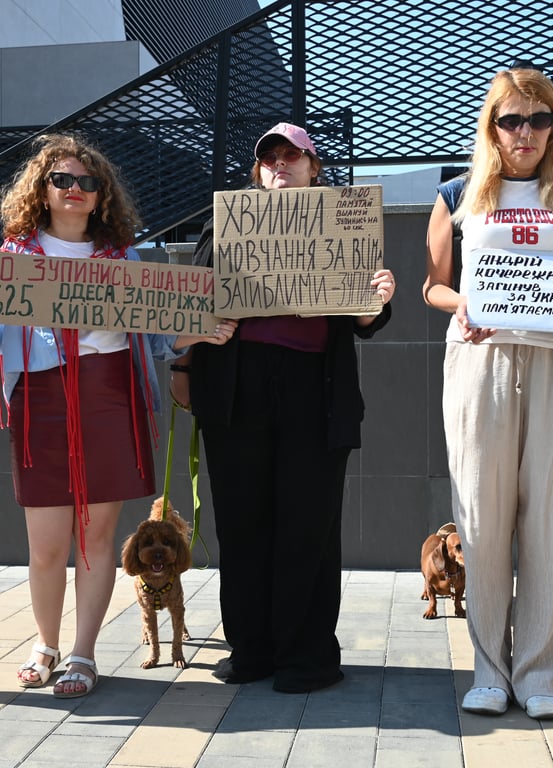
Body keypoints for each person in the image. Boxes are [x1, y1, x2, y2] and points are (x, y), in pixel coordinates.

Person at [0, 133, 235, 698]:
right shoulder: (12, 258)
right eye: (63, 181)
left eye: (88, 183)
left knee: (96, 540)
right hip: (43, 400)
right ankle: (44, 645)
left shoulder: (125, 259)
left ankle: (82, 653)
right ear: (43, 190)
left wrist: (198, 332)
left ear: (102, 196)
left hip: (109, 396)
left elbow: (156, 340)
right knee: (46, 543)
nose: (76, 190)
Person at [170, 122, 395, 693]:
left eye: (293, 155)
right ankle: (250, 650)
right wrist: (196, 341)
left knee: (309, 527)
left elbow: (364, 323)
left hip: (315, 393)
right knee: (243, 524)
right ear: (257, 171)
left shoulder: (346, 225)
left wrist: (377, 299)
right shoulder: (226, 222)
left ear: (314, 168)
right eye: (269, 157)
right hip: (237, 389)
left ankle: (307, 657)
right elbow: (187, 307)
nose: (280, 164)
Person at [422, 68, 553, 720]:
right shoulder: (458, 193)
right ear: (491, 126)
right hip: (482, 361)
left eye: (539, 119)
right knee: (481, 516)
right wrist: (462, 304)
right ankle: (490, 671)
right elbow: (433, 285)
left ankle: (540, 674)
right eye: (511, 120)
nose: (525, 133)